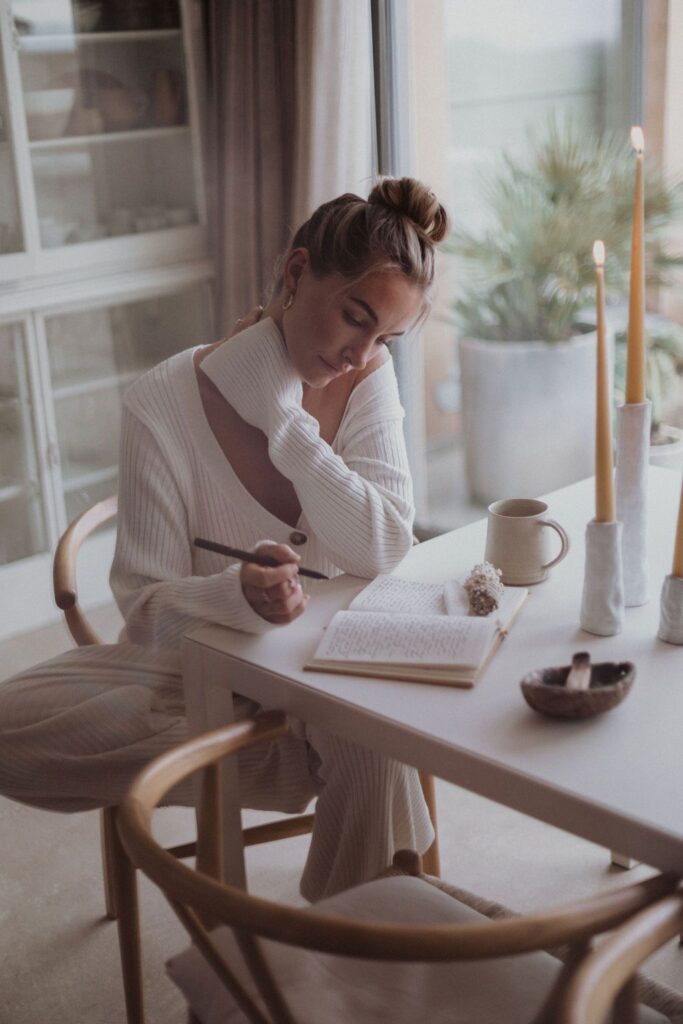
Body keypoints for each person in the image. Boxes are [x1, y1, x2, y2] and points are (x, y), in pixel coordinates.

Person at [0, 177, 449, 901]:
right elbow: (144, 616)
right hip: (210, 674)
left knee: (367, 743)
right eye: (353, 319)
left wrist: (281, 418)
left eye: (385, 337)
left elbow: (382, 548)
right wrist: (234, 595)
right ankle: (301, 772)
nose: (361, 354)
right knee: (9, 731)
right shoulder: (159, 401)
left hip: (343, 676)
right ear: (297, 272)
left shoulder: (369, 379)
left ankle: (321, 967)